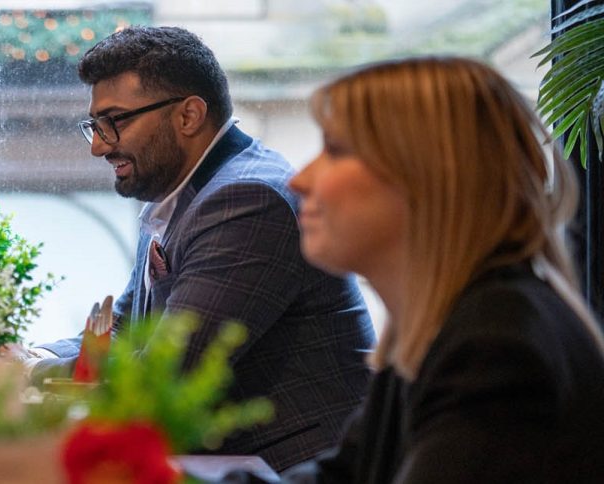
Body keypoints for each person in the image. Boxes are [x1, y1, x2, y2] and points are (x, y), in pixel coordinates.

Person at [23, 26, 374, 470]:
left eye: (115, 121)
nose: (98, 146)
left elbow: (166, 370)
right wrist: (35, 355)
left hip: (288, 468)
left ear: (189, 115)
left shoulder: (247, 199)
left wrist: (25, 377)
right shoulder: (181, 193)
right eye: (94, 125)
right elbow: (128, 328)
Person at [276, 56, 604, 483]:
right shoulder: (446, 323)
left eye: (335, 150)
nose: (298, 179)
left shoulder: (494, 344)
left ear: (426, 174)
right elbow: (343, 476)